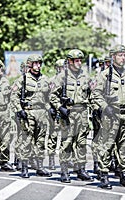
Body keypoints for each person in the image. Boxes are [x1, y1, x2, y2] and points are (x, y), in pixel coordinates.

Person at [91, 45, 125, 190]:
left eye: (124, 55)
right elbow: (95, 94)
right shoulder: (104, 75)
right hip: (111, 115)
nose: (122, 58)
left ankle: (124, 174)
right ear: (113, 57)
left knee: (124, 146)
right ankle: (104, 174)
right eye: (119, 55)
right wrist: (105, 107)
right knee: (107, 145)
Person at [50, 49, 93, 183]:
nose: (79, 63)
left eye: (80, 60)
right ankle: (64, 171)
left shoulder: (85, 76)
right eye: (76, 61)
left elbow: (91, 95)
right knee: (67, 143)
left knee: (82, 143)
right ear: (69, 62)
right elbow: (52, 96)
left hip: (82, 112)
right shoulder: (61, 77)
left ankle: (80, 169)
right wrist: (60, 107)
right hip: (68, 113)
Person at [11, 54, 52, 178]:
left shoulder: (45, 79)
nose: (38, 66)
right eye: (35, 63)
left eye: (39, 63)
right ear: (30, 64)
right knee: (27, 140)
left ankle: (39, 167)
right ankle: (24, 167)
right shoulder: (23, 79)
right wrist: (19, 110)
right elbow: (14, 96)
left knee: (40, 141)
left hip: (42, 113)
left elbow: (49, 97)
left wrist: (51, 109)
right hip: (28, 112)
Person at [47, 59, 64, 170]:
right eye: (61, 68)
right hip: (55, 110)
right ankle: (51, 159)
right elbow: (47, 97)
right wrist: (49, 108)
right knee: (53, 136)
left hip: (65, 111)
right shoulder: (52, 80)